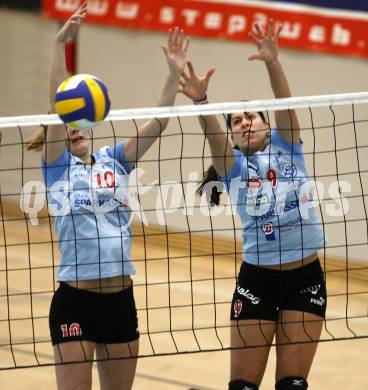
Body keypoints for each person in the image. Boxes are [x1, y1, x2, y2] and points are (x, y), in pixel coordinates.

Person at [25, 2, 190, 389]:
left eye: (77, 125)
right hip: (75, 302)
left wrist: (173, 74)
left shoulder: (114, 160)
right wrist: (59, 44)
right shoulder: (57, 168)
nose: (73, 130)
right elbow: (57, 109)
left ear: (89, 125)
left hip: (120, 301)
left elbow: (160, 122)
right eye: (67, 128)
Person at [179, 20, 326, 390]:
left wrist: (272, 62)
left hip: (305, 278)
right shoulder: (233, 166)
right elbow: (212, 133)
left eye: (251, 116)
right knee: (243, 387)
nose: (244, 123)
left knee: (293, 384)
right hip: (256, 283)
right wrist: (202, 102)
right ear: (232, 136)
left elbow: (285, 104)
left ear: (266, 124)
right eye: (236, 121)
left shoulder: (288, 144)